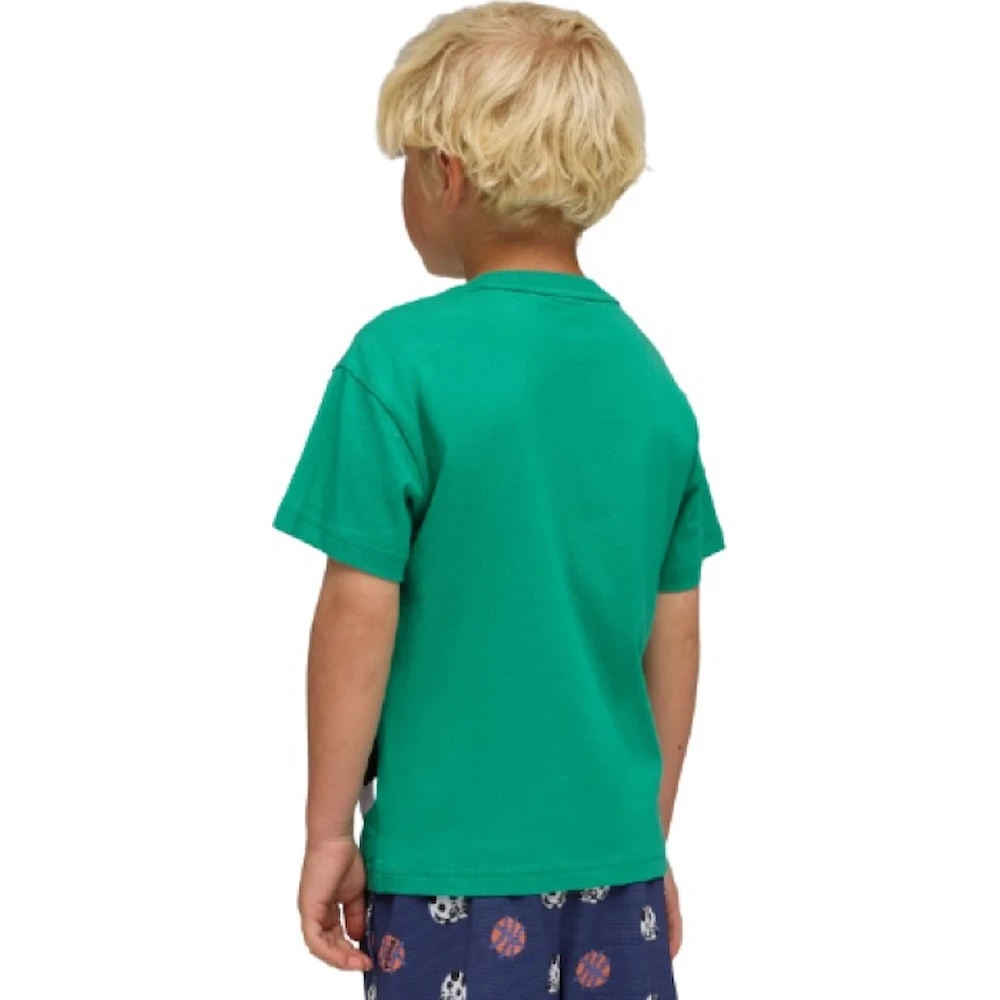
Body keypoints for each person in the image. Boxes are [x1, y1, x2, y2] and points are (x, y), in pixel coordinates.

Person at [273, 4, 724, 997]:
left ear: (446, 174)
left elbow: (357, 610)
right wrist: (645, 837)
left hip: (451, 872)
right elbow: (675, 629)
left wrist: (327, 830)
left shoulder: (397, 363)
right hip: (617, 871)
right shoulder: (652, 382)